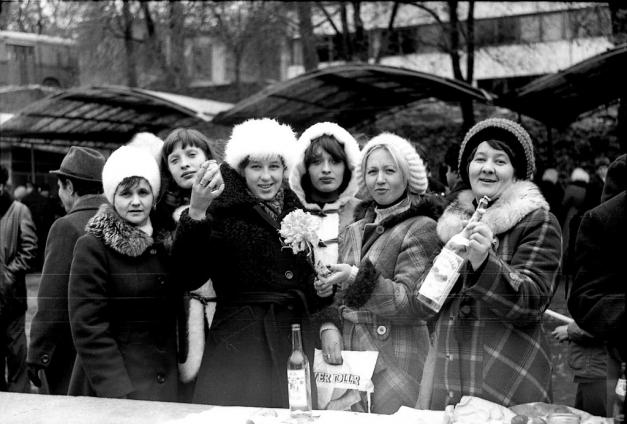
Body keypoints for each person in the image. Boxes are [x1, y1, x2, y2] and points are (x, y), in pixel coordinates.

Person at [171, 118, 330, 408]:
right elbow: (188, 275)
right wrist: (195, 212)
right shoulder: (220, 209)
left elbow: (304, 283)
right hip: (241, 344)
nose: (266, 177)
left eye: (274, 166)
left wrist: (321, 287)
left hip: (292, 338)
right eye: (256, 167)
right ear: (242, 169)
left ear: (285, 168)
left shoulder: (294, 209)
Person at [417, 118, 562, 409]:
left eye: (500, 160)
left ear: (516, 172)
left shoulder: (538, 221)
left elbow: (531, 303)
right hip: (449, 375)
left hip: (507, 376)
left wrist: (485, 262)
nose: (487, 168)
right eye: (480, 159)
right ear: (467, 167)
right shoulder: (452, 225)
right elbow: (425, 303)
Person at [317, 133, 442, 414]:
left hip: (396, 358)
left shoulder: (422, 227)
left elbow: (412, 304)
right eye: (372, 171)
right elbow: (340, 298)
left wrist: (354, 277)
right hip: (352, 360)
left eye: (390, 170)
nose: (380, 179)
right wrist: (328, 304)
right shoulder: (354, 229)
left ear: (407, 176)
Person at [67, 145, 180, 401]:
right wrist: (117, 392)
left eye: (143, 192)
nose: (136, 201)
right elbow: (89, 327)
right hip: (118, 390)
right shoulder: (93, 246)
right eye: (126, 193)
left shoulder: (165, 243)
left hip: (165, 388)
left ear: (154, 196)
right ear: (112, 197)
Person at [27, 147, 107, 395]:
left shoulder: (65, 227)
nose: (59, 195)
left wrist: (38, 354)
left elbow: (52, 300)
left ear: (70, 187)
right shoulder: (120, 221)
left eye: (60, 187)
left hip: (72, 356)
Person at [156, 128, 218, 393]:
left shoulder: (228, 204)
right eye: (175, 160)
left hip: (228, 316)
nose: (184, 164)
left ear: (208, 157)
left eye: (192, 154)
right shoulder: (159, 214)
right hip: (182, 320)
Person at [568, 153, 626, 416]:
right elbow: (587, 299)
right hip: (599, 358)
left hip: (596, 356)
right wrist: (573, 329)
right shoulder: (602, 222)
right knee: (597, 409)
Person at [289, 122, 361, 298]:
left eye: (335, 161)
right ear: (304, 167)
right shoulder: (289, 212)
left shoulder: (364, 212)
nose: (326, 170)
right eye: (316, 162)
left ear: (348, 166)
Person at [0, 165, 37, 392]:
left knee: (16, 353)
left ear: (2, 185)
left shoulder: (19, 210)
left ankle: (19, 402)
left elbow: (30, 249)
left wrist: (9, 274)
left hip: (11, 296)